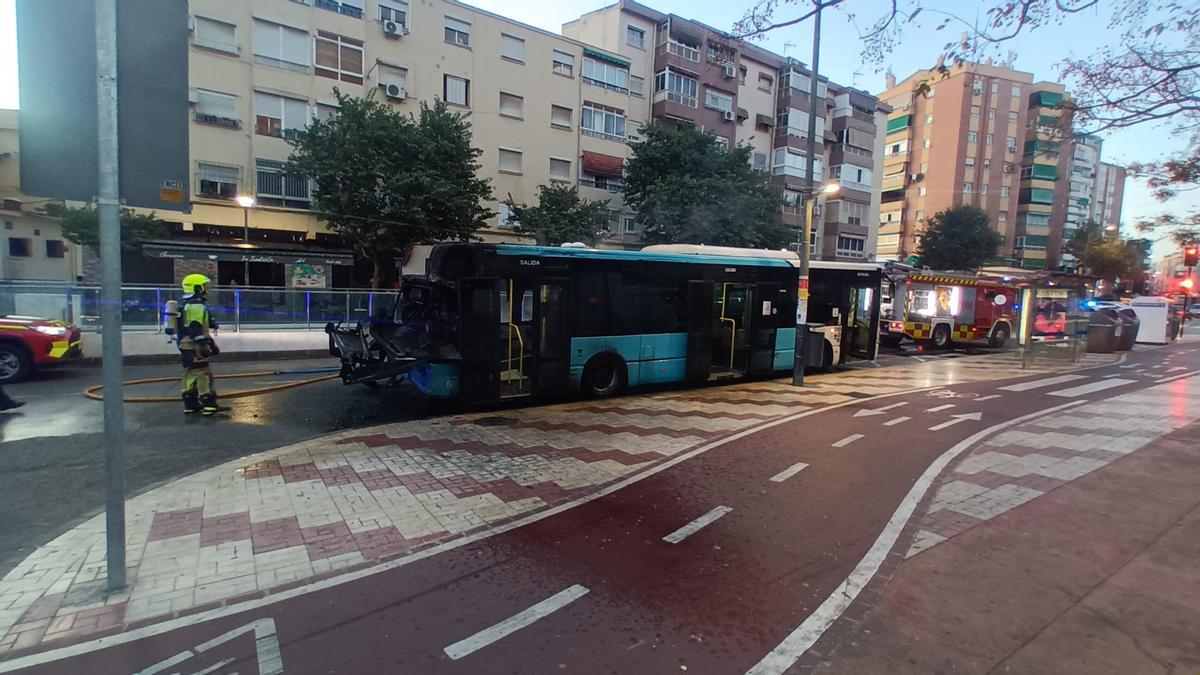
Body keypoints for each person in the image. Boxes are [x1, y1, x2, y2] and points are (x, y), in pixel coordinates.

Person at [164, 274, 221, 415]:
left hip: (184, 345)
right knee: (203, 373)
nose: (206, 289)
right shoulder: (196, 306)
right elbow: (196, 328)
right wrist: (206, 346)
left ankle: (190, 405)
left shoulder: (187, 305)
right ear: (197, 288)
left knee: (189, 373)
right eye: (204, 286)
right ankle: (208, 405)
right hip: (194, 345)